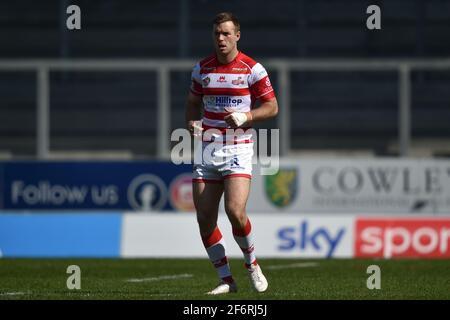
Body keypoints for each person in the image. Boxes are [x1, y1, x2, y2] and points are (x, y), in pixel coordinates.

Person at [185, 12, 278, 295]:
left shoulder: (253, 69)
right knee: (204, 218)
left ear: (237, 35)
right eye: (217, 34)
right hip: (208, 148)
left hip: (238, 146)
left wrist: (245, 115)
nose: (221, 39)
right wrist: (190, 124)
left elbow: (272, 107)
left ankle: (252, 264)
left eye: (226, 33)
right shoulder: (202, 69)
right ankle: (227, 280)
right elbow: (192, 101)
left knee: (235, 211)